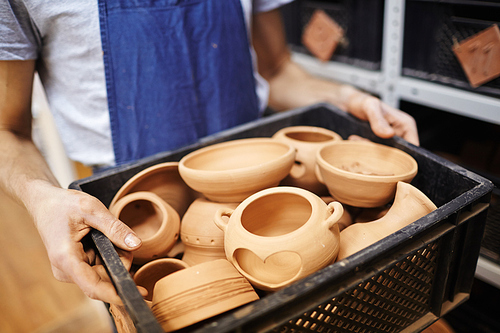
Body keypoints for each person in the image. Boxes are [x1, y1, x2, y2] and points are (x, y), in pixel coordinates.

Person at [0, 0, 418, 305]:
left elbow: (276, 70)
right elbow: (7, 130)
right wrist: (42, 199)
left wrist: (346, 98)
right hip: (131, 204)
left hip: (264, 170)